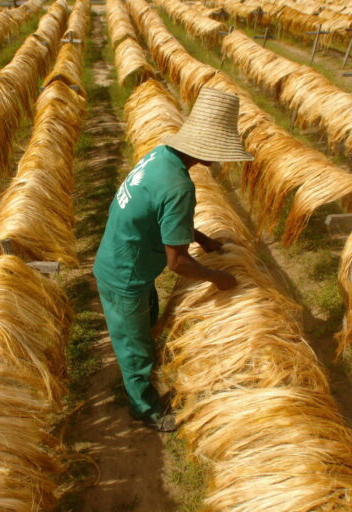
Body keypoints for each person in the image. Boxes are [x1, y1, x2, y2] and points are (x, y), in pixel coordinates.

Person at [93, 87, 254, 432]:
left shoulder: (161, 156)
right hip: (125, 274)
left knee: (146, 318)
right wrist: (217, 278)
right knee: (132, 345)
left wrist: (202, 238)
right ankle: (144, 407)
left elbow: (162, 215)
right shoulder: (179, 186)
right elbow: (177, 263)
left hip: (125, 256)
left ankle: (144, 373)